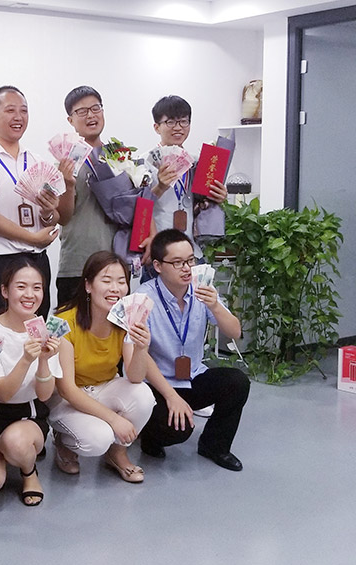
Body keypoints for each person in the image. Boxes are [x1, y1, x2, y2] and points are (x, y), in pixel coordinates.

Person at [138, 229, 249, 471]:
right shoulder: (143, 299)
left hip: (192, 377)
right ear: (157, 266)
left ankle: (214, 445)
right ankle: (149, 436)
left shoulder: (202, 289)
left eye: (191, 260)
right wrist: (171, 396)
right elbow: (141, 357)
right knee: (178, 429)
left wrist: (215, 306)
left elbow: (235, 331)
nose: (187, 268)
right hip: (157, 384)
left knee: (237, 381)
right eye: (178, 262)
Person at [50, 251, 155, 482]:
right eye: (106, 281)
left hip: (105, 387)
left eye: (121, 282)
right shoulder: (64, 322)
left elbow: (135, 377)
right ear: (88, 285)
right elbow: (66, 389)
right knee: (98, 439)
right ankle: (63, 441)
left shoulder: (125, 320)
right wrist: (114, 420)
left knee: (144, 395)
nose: (115, 289)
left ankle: (117, 454)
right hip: (68, 399)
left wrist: (141, 348)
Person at [0, 85, 61, 331]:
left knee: (36, 334)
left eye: (24, 111)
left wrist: (49, 212)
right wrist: (32, 238)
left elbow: (52, 217)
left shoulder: (37, 161)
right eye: (10, 110)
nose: (18, 117)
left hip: (36, 263)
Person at [0, 260, 60, 506]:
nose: (30, 294)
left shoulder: (47, 330)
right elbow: (3, 393)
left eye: (37, 287)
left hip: (29, 415)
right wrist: (26, 359)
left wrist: (43, 360)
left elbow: (45, 395)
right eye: (21, 287)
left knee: (15, 442)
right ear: (5, 291)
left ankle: (29, 472)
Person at [144, 95, 228, 263]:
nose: (178, 128)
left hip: (192, 251)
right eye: (170, 122)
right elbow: (139, 206)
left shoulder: (197, 162)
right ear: (156, 127)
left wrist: (220, 196)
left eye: (184, 121)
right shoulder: (145, 163)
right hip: (160, 251)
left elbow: (206, 199)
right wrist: (160, 187)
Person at [55, 86, 117, 307]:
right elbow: (62, 217)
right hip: (77, 264)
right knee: (72, 326)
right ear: (70, 120)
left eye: (95, 108)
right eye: (82, 111)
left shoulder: (119, 156)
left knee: (114, 328)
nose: (91, 115)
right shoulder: (64, 161)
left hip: (115, 265)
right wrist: (68, 185)